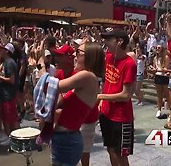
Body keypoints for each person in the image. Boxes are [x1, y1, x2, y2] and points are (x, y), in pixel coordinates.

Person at [51, 42, 104, 166]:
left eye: (78, 53)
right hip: (63, 138)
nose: (74, 56)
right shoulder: (85, 76)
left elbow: (52, 86)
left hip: (67, 140)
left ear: (90, 57)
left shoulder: (87, 76)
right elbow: (60, 99)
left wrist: (42, 65)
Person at [97, 29, 137, 166]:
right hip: (106, 112)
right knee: (110, 149)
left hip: (121, 117)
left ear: (119, 42)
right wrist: (102, 102)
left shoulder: (129, 64)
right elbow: (106, 82)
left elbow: (126, 95)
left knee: (121, 155)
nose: (105, 42)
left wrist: (100, 96)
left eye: (109, 39)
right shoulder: (108, 57)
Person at [0, 43, 20, 146]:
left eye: (2, 49)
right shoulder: (6, 62)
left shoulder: (9, 63)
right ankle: (12, 138)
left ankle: (17, 139)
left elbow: (12, 80)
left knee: (12, 118)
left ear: (7, 51)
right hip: (6, 94)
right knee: (9, 117)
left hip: (9, 94)